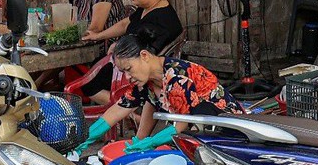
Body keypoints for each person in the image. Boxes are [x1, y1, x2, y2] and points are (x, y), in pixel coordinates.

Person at [92, 35, 244, 142]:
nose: (127, 76)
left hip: (228, 131)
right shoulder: (146, 81)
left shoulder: (177, 77)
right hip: (197, 132)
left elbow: (183, 123)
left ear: (144, 55)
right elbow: (121, 107)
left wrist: (153, 141)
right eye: (123, 71)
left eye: (129, 69)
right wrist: (89, 135)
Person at [77, 0, 181, 103]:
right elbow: (125, 24)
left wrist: (119, 46)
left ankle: (129, 113)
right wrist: (98, 36)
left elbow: (147, 52)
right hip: (124, 60)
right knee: (91, 73)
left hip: (137, 70)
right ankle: (125, 111)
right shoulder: (146, 7)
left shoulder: (163, 20)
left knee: (90, 85)